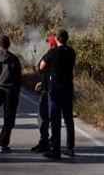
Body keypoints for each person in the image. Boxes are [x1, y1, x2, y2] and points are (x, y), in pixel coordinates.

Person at [38, 28, 76, 160]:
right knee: (69, 120)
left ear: (57, 39)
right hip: (68, 89)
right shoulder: (72, 52)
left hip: (55, 90)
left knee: (55, 120)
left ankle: (55, 150)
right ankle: (70, 148)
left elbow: (41, 66)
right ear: (66, 39)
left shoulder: (53, 51)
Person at [31, 33, 58, 153]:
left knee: (43, 117)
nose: (48, 44)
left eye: (49, 42)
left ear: (52, 43)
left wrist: (43, 83)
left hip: (48, 90)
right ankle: (54, 141)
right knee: (55, 117)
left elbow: (42, 67)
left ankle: (44, 142)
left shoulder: (51, 54)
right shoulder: (66, 53)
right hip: (60, 90)